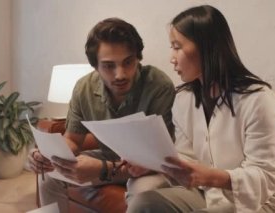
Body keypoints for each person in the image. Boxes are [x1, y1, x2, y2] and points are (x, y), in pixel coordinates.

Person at [127, 5, 275, 213]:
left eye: (177, 47)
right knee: (144, 203)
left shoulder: (258, 100)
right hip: (208, 194)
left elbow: (265, 177)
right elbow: (186, 158)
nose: (172, 58)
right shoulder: (183, 99)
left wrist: (211, 176)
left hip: (260, 204)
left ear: (206, 46)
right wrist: (150, 165)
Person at [28, 17, 176, 212]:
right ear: (95, 66)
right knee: (51, 177)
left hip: (149, 169)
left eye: (128, 62)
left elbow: (159, 159)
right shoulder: (84, 88)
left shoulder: (159, 86)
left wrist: (102, 168)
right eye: (108, 66)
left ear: (138, 58)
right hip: (108, 158)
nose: (120, 74)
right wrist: (45, 155)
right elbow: (72, 140)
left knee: (143, 193)